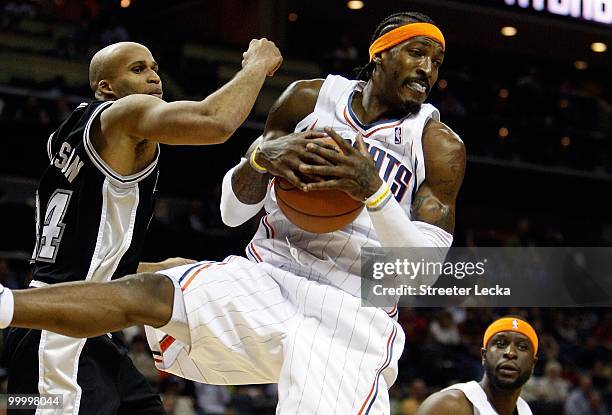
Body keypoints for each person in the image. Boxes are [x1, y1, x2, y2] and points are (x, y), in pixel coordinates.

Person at [0, 12, 465, 413]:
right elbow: (230, 212)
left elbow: (420, 275)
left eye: (436, 62)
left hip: (352, 312)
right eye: (416, 53)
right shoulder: (308, 100)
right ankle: (5, 304)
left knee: (165, 275)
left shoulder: (438, 146)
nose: (428, 68)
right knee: (148, 292)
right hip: (270, 275)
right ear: (379, 54)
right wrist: (259, 160)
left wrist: (374, 190)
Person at [3, 39, 282, 415]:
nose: (154, 77)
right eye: (137, 70)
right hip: (58, 332)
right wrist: (256, 66)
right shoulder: (122, 114)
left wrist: (160, 271)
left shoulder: (67, 137)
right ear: (106, 87)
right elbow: (214, 122)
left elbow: (82, 252)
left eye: (153, 67)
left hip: (93, 330)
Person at [415, 317, 537, 415]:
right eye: (500, 344)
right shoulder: (449, 405)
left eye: (522, 347)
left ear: (533, 363)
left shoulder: (524, 410)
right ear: (484, 355)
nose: (510, 353)